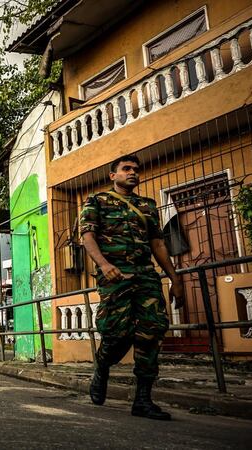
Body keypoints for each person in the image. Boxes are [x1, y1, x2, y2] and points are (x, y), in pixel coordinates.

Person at [80, 154, 184, 421]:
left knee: (151, 332)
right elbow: (87, 236)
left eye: (136, 169)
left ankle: (143, 399)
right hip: (115, 277)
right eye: (126, 169)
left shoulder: (147, 206)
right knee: (117, 334)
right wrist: (103, 265)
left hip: (146, 277)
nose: (133, 173)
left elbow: (158, 244)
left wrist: (175, 278)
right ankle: (102, 366)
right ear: (113, 175)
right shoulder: (96, 202)